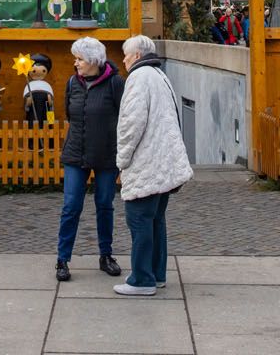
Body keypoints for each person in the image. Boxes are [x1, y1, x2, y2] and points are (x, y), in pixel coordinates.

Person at [114, 34, 193, 297]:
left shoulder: (138, 78)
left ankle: (142, 279)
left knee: (139, 220)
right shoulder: (160, 75)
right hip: (164, 161)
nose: (123, 59)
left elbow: (131, 124)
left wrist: (122, 161)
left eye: (126, 54)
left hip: (147, 162)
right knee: (156, 220)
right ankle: (157, 274)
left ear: (136, 55)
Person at [56, 36, 126, 282]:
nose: (76, 63)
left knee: (105, 205)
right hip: (75, 153)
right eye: (75, 59)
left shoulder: (115, 83)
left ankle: (106, 255)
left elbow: (124, 117)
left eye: (80, 59)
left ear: (95, 61)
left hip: (106, 155)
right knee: (71, 206)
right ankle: (62, 259)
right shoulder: (72, 83)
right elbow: (69, 113)